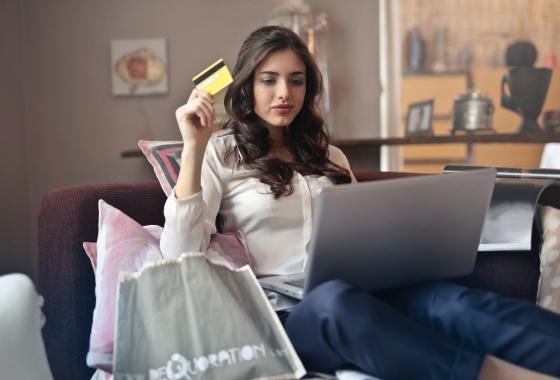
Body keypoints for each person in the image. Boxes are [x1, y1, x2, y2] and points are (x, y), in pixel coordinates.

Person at [160, 26, 560, 380]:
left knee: (449, 301)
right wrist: (194, 148)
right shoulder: (221, 153)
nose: (285, 93)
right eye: (269, 80)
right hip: (291, 318)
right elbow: (179, 252)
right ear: (247, 86)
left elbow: (363, 231)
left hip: (367, 291)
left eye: (296, 81)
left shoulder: (329, 156)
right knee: (336, 304)